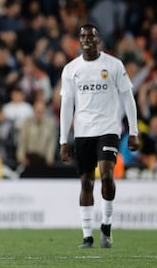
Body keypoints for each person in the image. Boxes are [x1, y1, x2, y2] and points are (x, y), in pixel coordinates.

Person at [59, 23, 139, 249]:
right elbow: (67, 106)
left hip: (109, 129)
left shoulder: (113, 65)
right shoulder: (71, 69)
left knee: (106, 176)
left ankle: (106, 223)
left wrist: (133, 132)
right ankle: (87, 236)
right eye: (82, 37)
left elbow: (128, 98)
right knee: (86, 182)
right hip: (83, 132)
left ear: (98, 40)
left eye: (90, 37)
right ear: (79, 41)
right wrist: (63, 140)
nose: (86, 40)